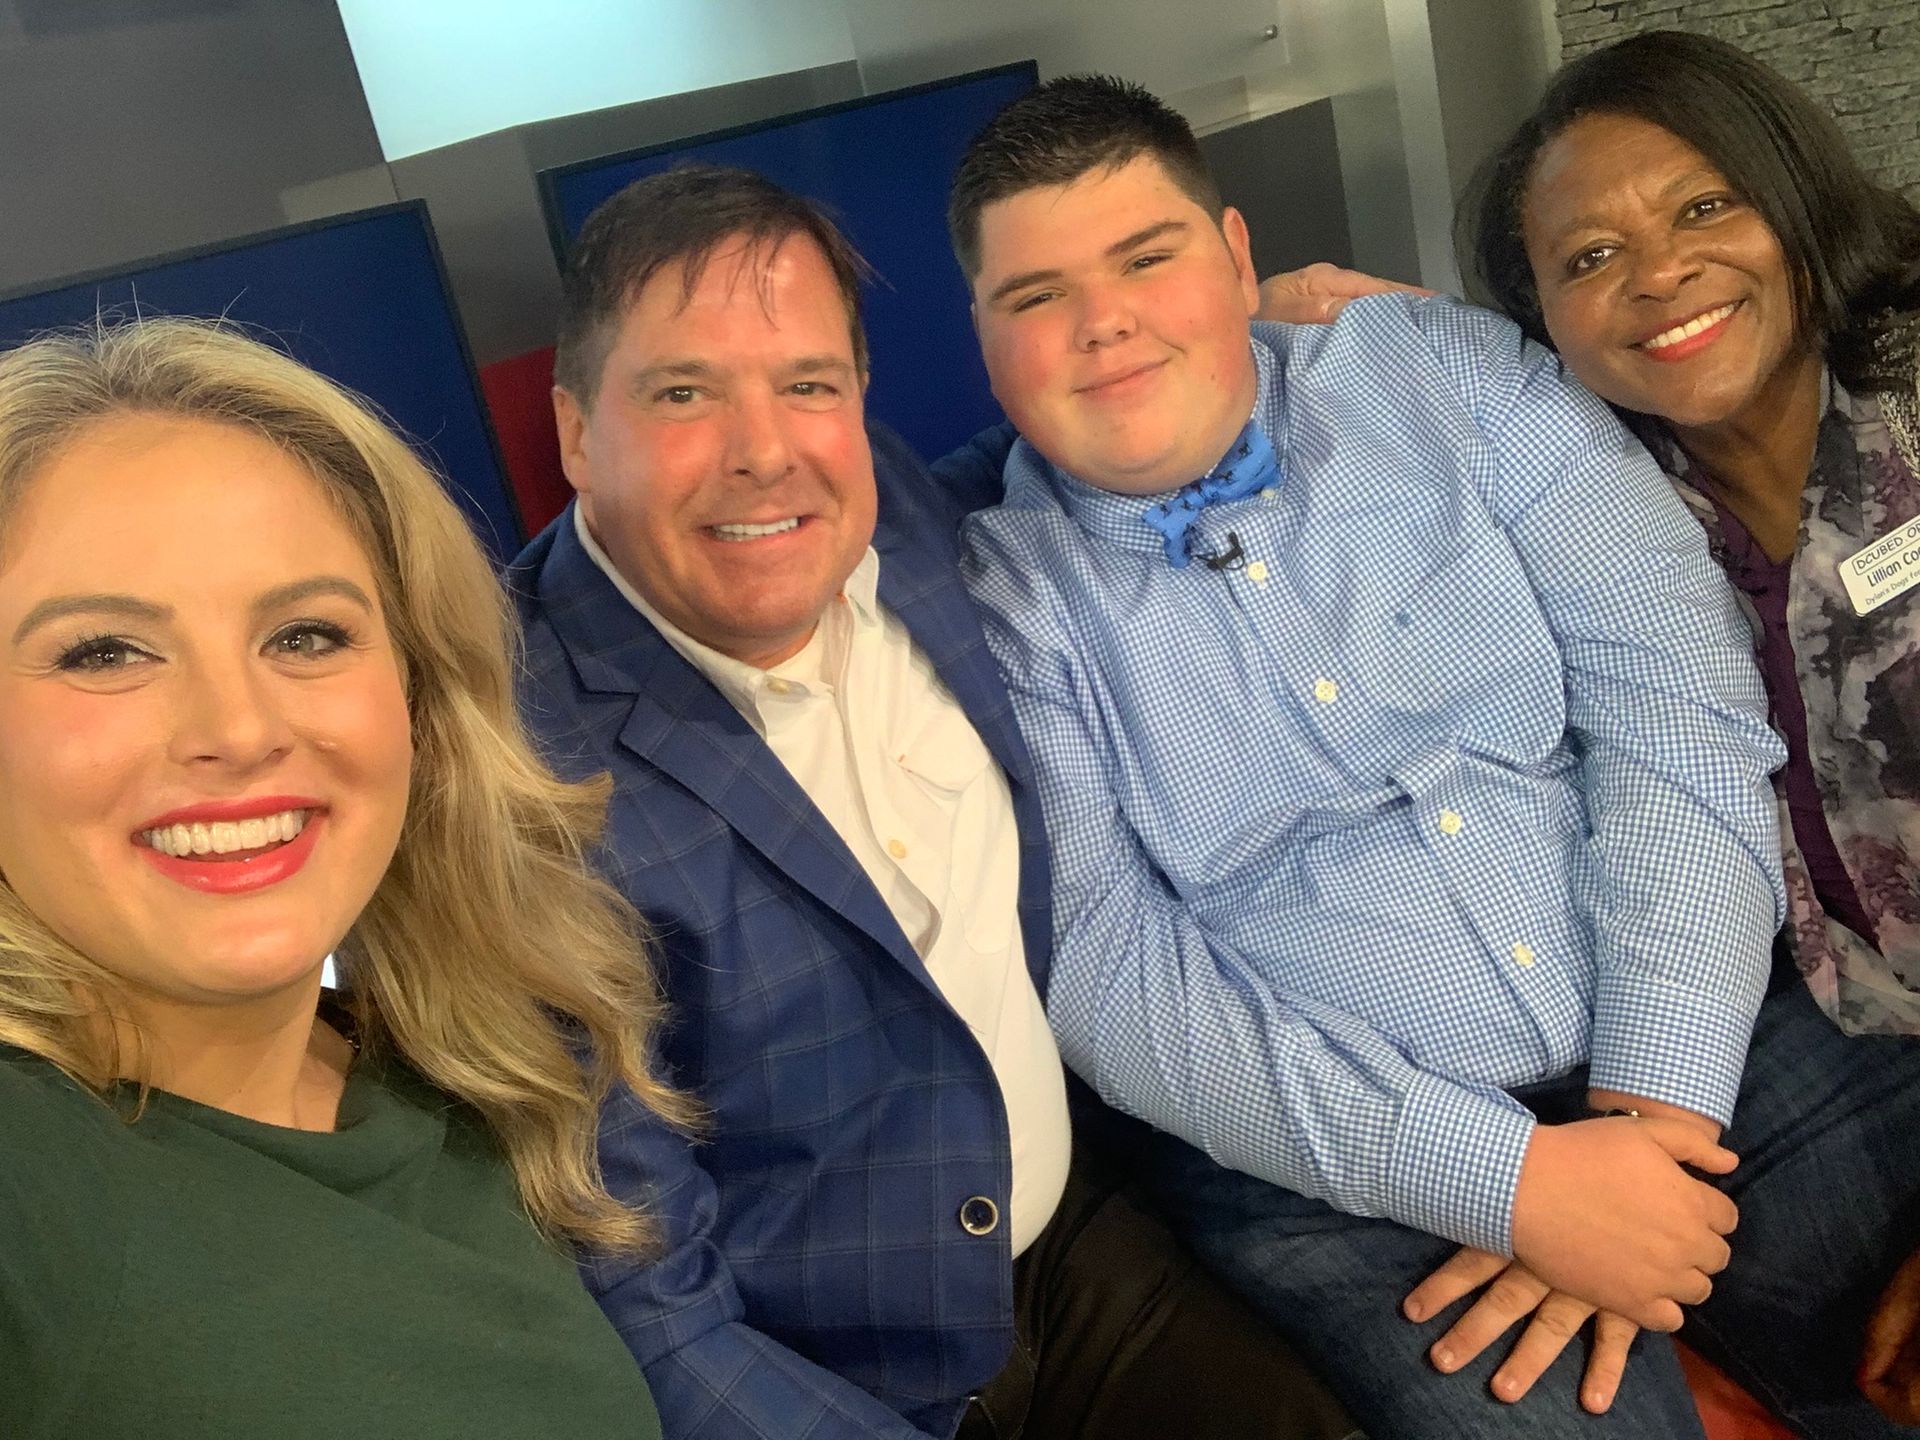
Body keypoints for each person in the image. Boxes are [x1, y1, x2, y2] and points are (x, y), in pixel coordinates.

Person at [950, 72, 1920, 1439]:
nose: (1101, 321)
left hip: (1701, 1032)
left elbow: (1675, 699)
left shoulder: (1442, 371)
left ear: (1235, 260)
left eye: (1144, 258)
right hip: (1350, 1167)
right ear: (985, 344)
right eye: (1033, 296)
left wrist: (1649, 1120)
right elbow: (1107, 966)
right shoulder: (989, 608)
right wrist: (1510, 1186)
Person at [510, 163, 1358, 1440]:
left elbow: (1066, 446)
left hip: (1073, 1253)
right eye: (683, 393)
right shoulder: (507, 771)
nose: (764, 452)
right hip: (831, 1373)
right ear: (577, 431)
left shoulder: (892, 507)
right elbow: (649, 1310)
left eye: (808, 385)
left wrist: (1285, 321)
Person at [0, 318, 691, 1438]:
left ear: (419, 696)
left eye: (307, 635)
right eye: (104, 651)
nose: (237, 727)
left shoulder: (437, 1071)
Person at [1449, 29, 1920, 1426]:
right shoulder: (1607, 503)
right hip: (1859, 1009)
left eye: (1705, 208)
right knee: (1621, 1244)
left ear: (1793, 196)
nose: (1658, 276)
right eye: (1589, 258)